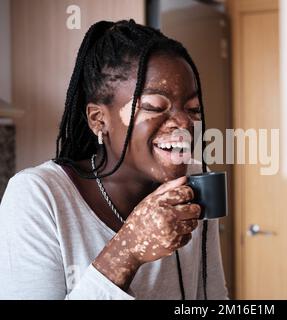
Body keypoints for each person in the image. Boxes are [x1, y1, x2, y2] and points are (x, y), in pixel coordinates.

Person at [0, 20, 228, 300]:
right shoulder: (37, 196)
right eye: (155, 107)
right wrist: (127, 250)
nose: (184, 123)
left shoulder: (194, 181)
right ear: (99, 120)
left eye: (193, 110)